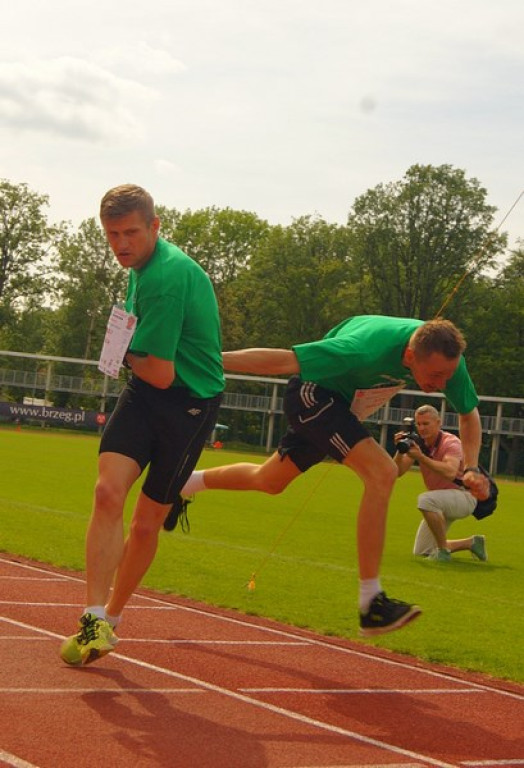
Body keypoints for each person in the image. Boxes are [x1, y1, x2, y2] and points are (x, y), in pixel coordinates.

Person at [172, 315, 487, 637]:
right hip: (313, 394)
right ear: (409, 356)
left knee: (270, 481)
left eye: (447, 376)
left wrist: (472, 468)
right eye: (435, 376)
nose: (442, 385)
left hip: (341, 405)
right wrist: (206, 360)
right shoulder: (363, 349)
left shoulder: (446, 355)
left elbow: (469, 413)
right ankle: (371, 602)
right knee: (383, 472)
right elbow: (284, 361)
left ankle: (184, 483)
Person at [60, 184, 224, 666]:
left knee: (147, 521)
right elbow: (147, 369)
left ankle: (110, 617)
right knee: (107, 493)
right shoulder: (139, 268)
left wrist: (116, 351)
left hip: (190, 403)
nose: (121, 245)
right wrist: (125, 351)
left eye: (130, 232)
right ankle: (92, 619)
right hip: (145, 393)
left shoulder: (167, 276)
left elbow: (161, 370)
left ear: (155, 227)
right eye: (112, 235)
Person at [393, 404, 487, 563]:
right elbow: (397, 472)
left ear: (438, 423)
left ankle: (443, 551)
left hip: (464, 495)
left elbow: (450, 471)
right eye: (419, 424)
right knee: (422, 551)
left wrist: (421, 458)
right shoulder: (418, 443)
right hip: (441, 500)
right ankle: (472, 543)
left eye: (426, 424)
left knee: (425, 500)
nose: (422, 428)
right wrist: (400, 451)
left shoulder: (451, 442)